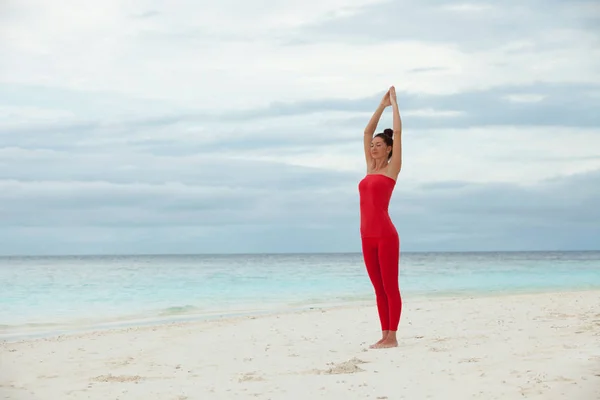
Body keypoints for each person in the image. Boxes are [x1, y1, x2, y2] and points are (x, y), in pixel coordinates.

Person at [359, 86, 403, 349]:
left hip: (386, 236)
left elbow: (398, 132)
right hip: (366, 236)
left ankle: (393, 337)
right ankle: (384, 333)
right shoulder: (368, 168)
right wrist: (381, 105)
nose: (373, 148)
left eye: (378, 145)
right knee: (377, 289)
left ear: (388, 149)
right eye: (372, 145)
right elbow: (366, 131)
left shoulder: (391, 169)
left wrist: (395, 104)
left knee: (390, 287)